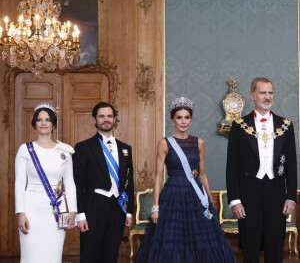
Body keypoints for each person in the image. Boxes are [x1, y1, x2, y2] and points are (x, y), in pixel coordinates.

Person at [134, 97, 236, 263]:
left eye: (186, 117)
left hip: (196, 196)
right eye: (179, 117)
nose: (183, 121)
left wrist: (210, 200)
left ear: (191, 119)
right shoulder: (164, 143)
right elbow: (159, 176)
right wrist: (155, 206)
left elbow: (202, 174)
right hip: (173, 195)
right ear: (172, 120)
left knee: (200, 239)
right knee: (173, 240)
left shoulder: (199, 142)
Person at [226, 77, 297, 263]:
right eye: (262, 92)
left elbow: (292, 165)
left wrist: (291, 196)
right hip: (249, 194)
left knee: (275, 248)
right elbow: (231, 167)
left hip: (276, 193)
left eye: (270, 92)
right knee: (250, 248)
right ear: (252, 95)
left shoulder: (286, 126)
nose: (267, 97)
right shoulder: (239, 126)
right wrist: (235, 200)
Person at [15, 103, 77, 263]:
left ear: (53, 124)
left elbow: (69, 183)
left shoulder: (65, 151)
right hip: (32, 209)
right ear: (34, 124)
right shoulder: (25, 149)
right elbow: (19, 183)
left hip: (56, 211)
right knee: (31, 256)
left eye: (47, 120)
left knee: (53, 256)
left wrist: (73, 211)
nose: (43, 123)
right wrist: (20, 212)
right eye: (39, 120)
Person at [73, 101, 134, 263]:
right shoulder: (83, 147)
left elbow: (129, 181)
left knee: (111, 253)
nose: (106, 119)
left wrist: (129, 212)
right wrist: (80, 214)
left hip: (117, 208)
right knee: (90, 254)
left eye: (109, 116)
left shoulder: (125, 148)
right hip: (93, 207)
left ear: (114, 119)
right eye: (101, 116)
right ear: (95, 120)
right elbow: (77, 184)